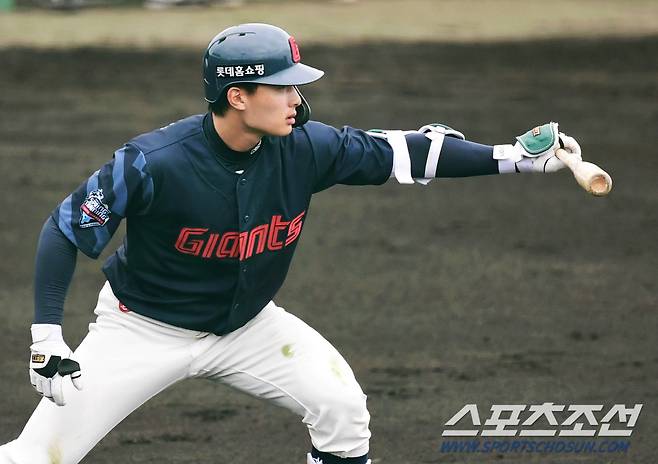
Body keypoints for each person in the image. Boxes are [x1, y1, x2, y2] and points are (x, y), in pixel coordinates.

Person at [0, 23, 581, 464]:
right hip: (143, 330)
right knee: (35, 457)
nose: (298, 102)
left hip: (250, 327)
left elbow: (403, 152)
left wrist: (513, 159)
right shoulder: (155, 162)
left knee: (342, 409)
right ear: (238, 97)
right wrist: (47, 336)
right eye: (283, 88)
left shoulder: (305, 145)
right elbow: (64, 229)